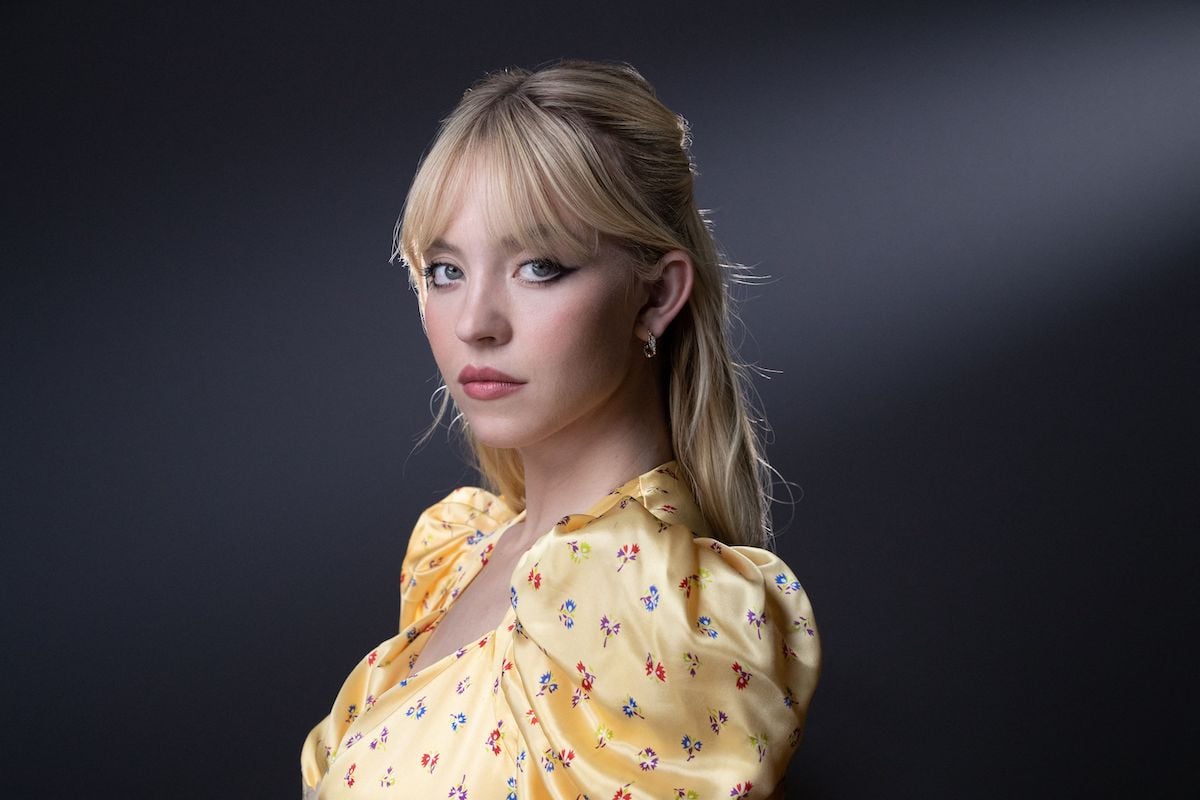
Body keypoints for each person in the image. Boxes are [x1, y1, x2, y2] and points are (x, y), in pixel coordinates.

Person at [300, 60, 820, 799]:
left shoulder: (654, 607)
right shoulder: (459, 558)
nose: (475, 323)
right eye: (446, 270)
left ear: (657, 295)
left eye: (540, 266)